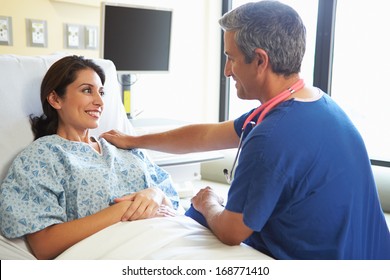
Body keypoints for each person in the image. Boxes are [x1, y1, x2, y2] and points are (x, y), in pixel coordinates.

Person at [101, 1, 390, 259]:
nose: (227, 71)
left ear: (261, 60)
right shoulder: (315, 102)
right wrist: (134, 139)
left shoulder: (272, 135)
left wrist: (207, 202)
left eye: (231, 57)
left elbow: (231, 232)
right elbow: (205, 136)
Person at [0, 55, 180, 260]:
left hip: (173, 239)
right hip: (125, 255)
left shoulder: (123, 146)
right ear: (55, 99)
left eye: (101, 92)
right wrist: (122, 210)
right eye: (87, 90)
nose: (100, 101)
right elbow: (44, 245)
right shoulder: (41, 157)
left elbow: (174, 204)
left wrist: (155, 194)